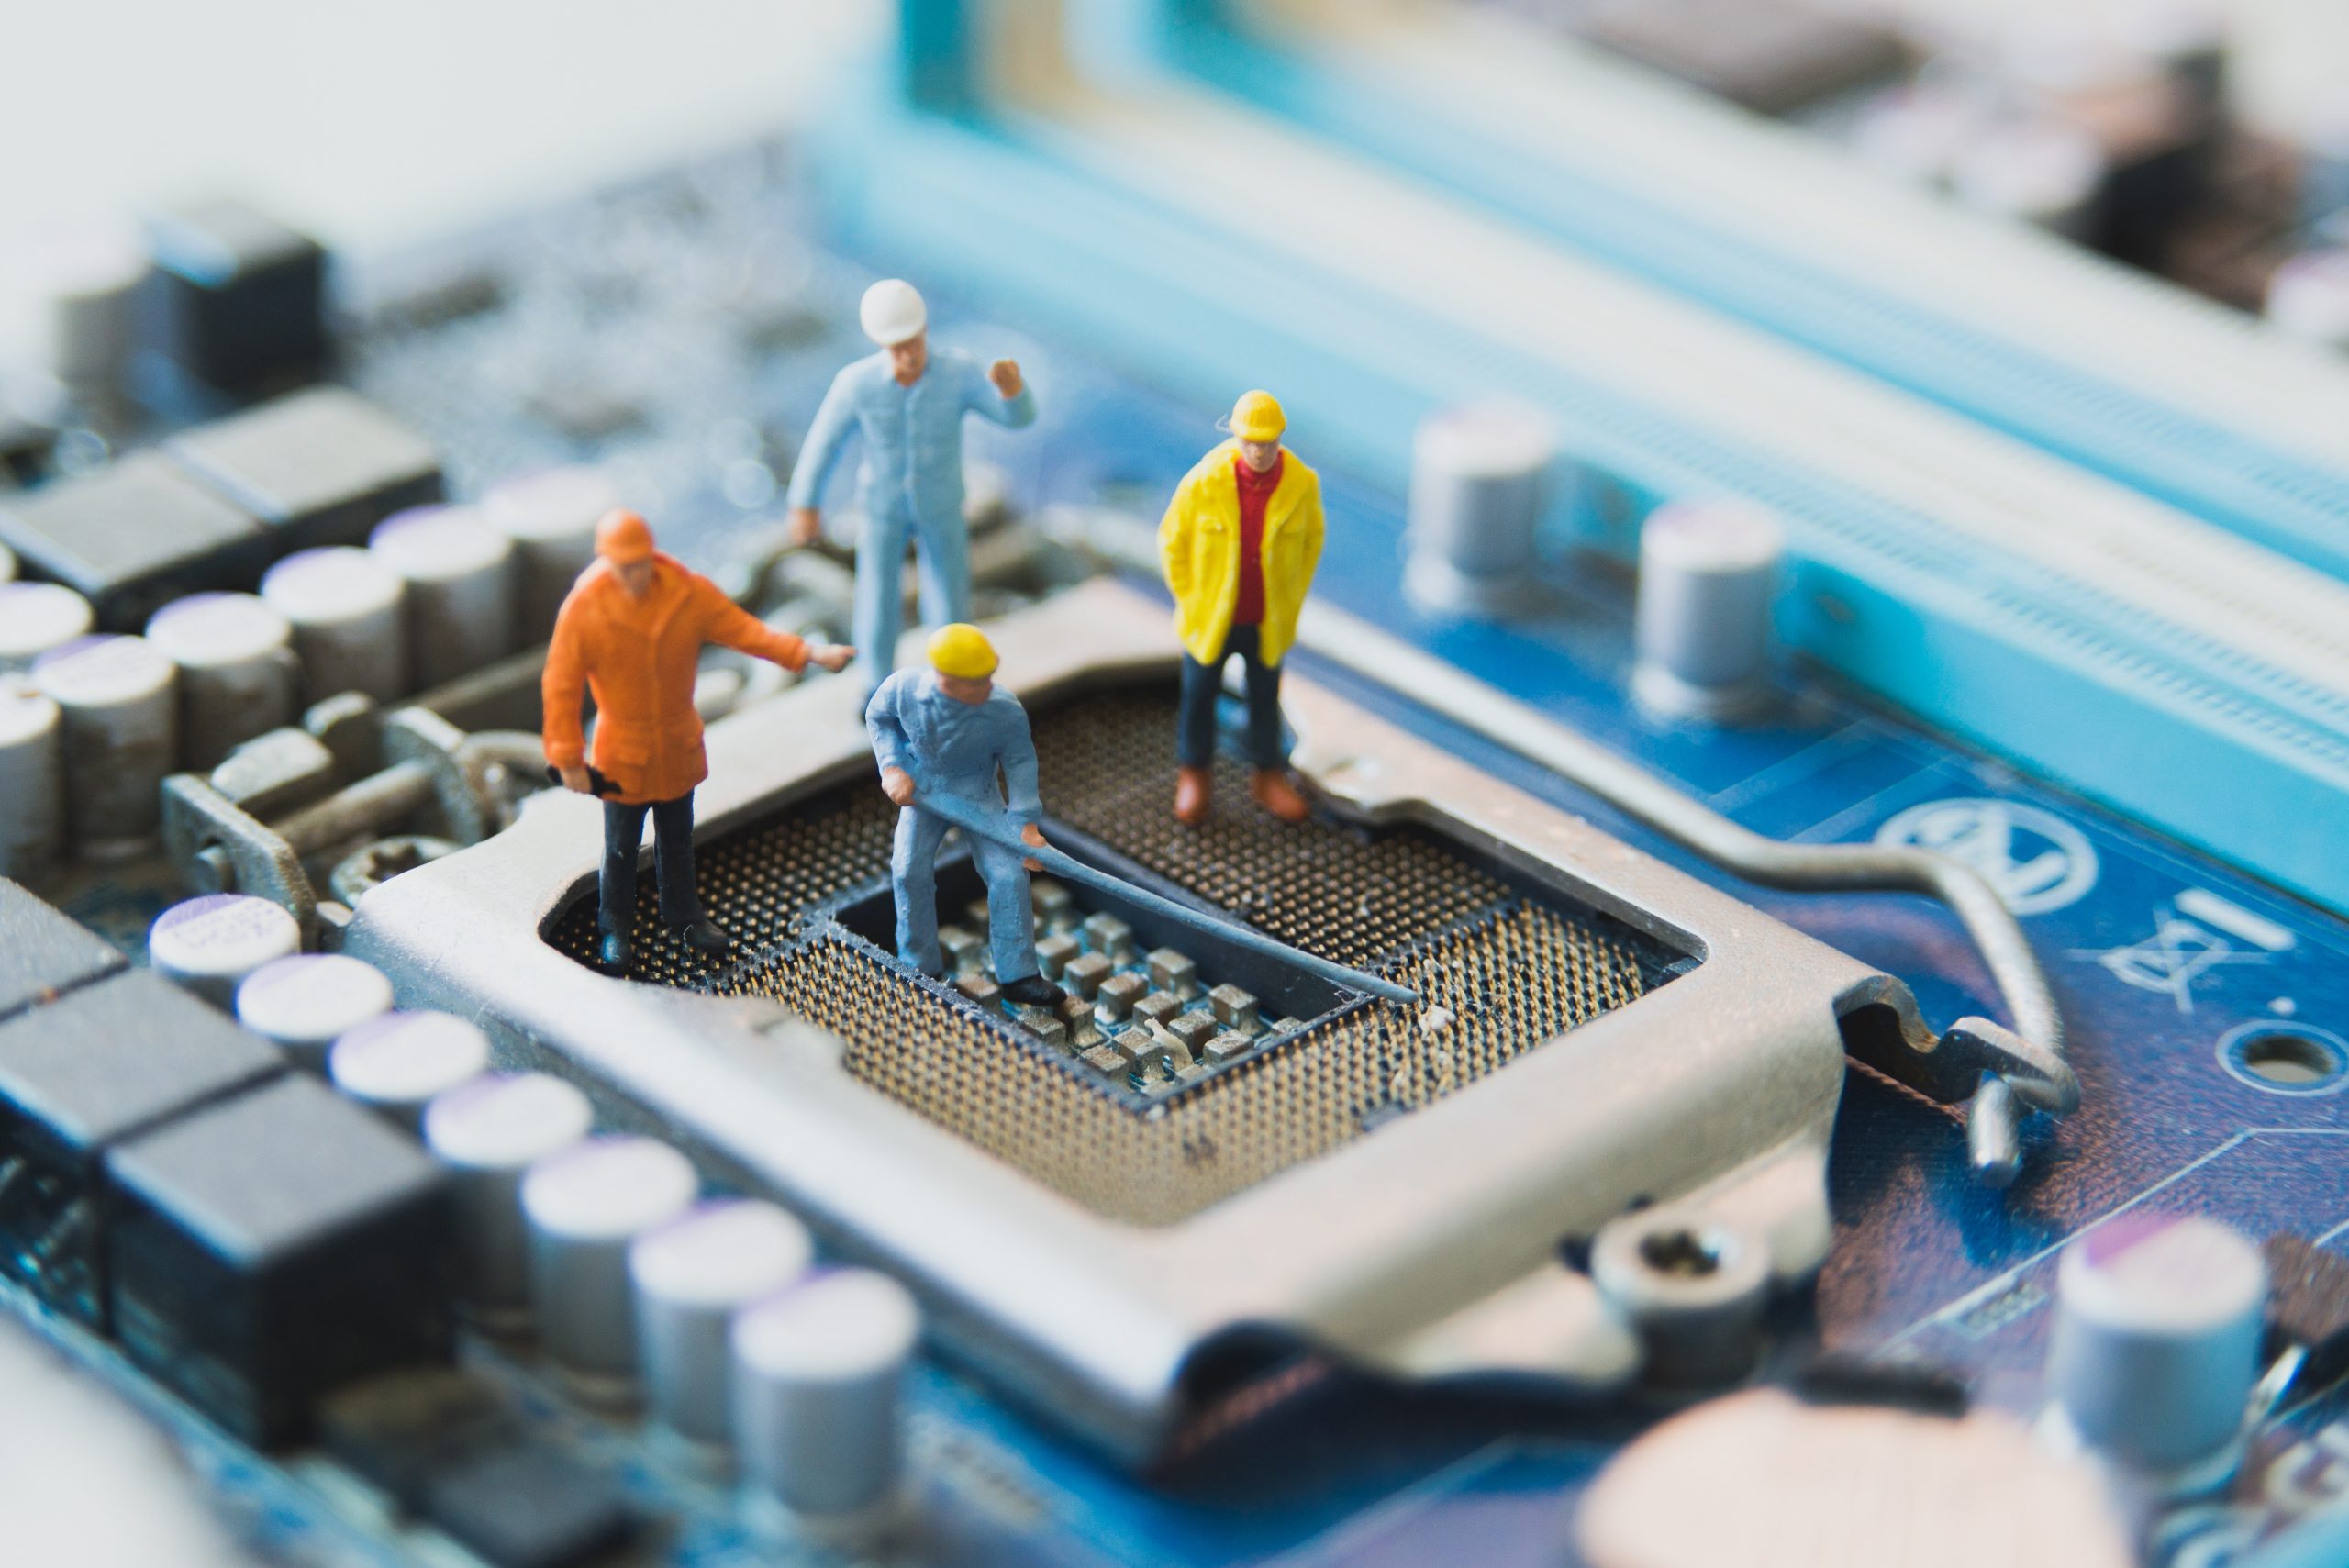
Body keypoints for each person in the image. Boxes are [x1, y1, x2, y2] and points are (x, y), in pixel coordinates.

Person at [543, 509, 853, 974]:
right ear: (606, 560)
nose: (632, 573)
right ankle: (615, 928)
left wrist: (807, 651)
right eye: (621, 564)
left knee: (677, 842)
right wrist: (566, 756)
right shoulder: (585, 610)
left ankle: (686, 920)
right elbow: (561, 684)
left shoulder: (685, 594)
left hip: (675, 748)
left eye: (638, 562)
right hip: (622, 756)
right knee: (620, 850)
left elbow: (746, 631)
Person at [786, 279, 1037, 696]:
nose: (908, 354)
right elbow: (822, 444)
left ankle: (951, 675)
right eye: (896, 345)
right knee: (877, 597)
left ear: (924, 331)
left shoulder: (958, 372)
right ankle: (875, 683)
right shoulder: (857, 384)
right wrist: (804, 503)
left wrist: (1014, 392)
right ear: (880, 343)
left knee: (949, 594)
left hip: (942, 505)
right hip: (881, 510)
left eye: (913, 341)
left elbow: (1015, 419)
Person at [864, 623, 1064, 1007]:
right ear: (945, 678)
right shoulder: (903, 689)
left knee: (1008, 875)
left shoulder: (1004, 711)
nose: (985, 688)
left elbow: (1021, 763)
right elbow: (879, 718)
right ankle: (919, 963)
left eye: (987, 679)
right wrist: (892, 767)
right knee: (908, 869)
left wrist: (1026, 824)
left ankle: (1018, 974)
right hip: (925, 794)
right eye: (975, 682)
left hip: (979, 795)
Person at [1156, 389, 1325, 827]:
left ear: (1280, 439)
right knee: (1198, 697)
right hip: (1209, 620)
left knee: (1266, 699)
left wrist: (1290, 601)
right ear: (1235, 436)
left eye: (1268, 441)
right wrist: (1191, 598)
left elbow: (1311, 545)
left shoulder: (1301, 484)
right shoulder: (1204, 482)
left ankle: (1267, 774)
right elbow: (1172, 542)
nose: (1260, 450)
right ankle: (1194, 773)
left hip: (1266, 620)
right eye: (1251, 440)